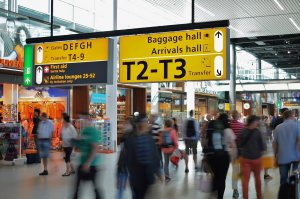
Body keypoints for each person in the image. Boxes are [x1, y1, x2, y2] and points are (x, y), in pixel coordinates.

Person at [124, 115, 160, 199]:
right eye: (145, 122)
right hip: (137, 176)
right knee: (138, 195)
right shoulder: (130, 140)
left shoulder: (149, 138)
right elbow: (127, 159)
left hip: (148, 175)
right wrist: (124, 175)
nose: (147, 124)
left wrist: (158, 171)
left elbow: (154, 155)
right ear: (140, 124)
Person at [205, 113, 236, 199]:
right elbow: (233, 145)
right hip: (224, 157)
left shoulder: (212, 128)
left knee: (215, 176)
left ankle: (214, 191)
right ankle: (220, 197)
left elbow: (206, 142)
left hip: (212, 156)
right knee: (222, 178)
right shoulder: (228, 130)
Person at [72, 113, 102, 199]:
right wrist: (75, 141)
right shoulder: (83, 131)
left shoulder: (93, 132)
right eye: (82, 120)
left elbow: (95, 148)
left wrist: (88, 163)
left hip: (92, 165)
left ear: (90, 121)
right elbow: (81, 144)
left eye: (85, 120)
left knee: (95, 187)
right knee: (77, 187)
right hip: (83, 162)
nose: (83, 122)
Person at [239, 115, 265, 199]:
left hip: (245, 159)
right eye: (257, 121)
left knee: (245, 180)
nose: (258, 123)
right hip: (256, 159)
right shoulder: (258, 132)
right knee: (257, 179)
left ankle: (245, 197)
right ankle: (259, 196)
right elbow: (262, 147)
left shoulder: (243, 131)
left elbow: (239, 143)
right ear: (253, 122)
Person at [273, 110, 300, 185]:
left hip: (282, 157)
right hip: (296, 156)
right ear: (292, 116)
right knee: (295, 178)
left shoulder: (278, 128)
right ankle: (294, 194)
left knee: (283, 179)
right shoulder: (297, 125)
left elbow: (275, 144)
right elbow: (299, 141)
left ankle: (284, 193)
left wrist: (275, 157)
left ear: (284, 117)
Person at [230, 110, 245, 198]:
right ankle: (244, 186)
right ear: (239, 116)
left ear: (232, 116)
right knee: (243, 170)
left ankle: (235, 190)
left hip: (232, 150)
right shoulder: (242, 126)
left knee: (235, 170)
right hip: (241, 151)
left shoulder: (229, 126)